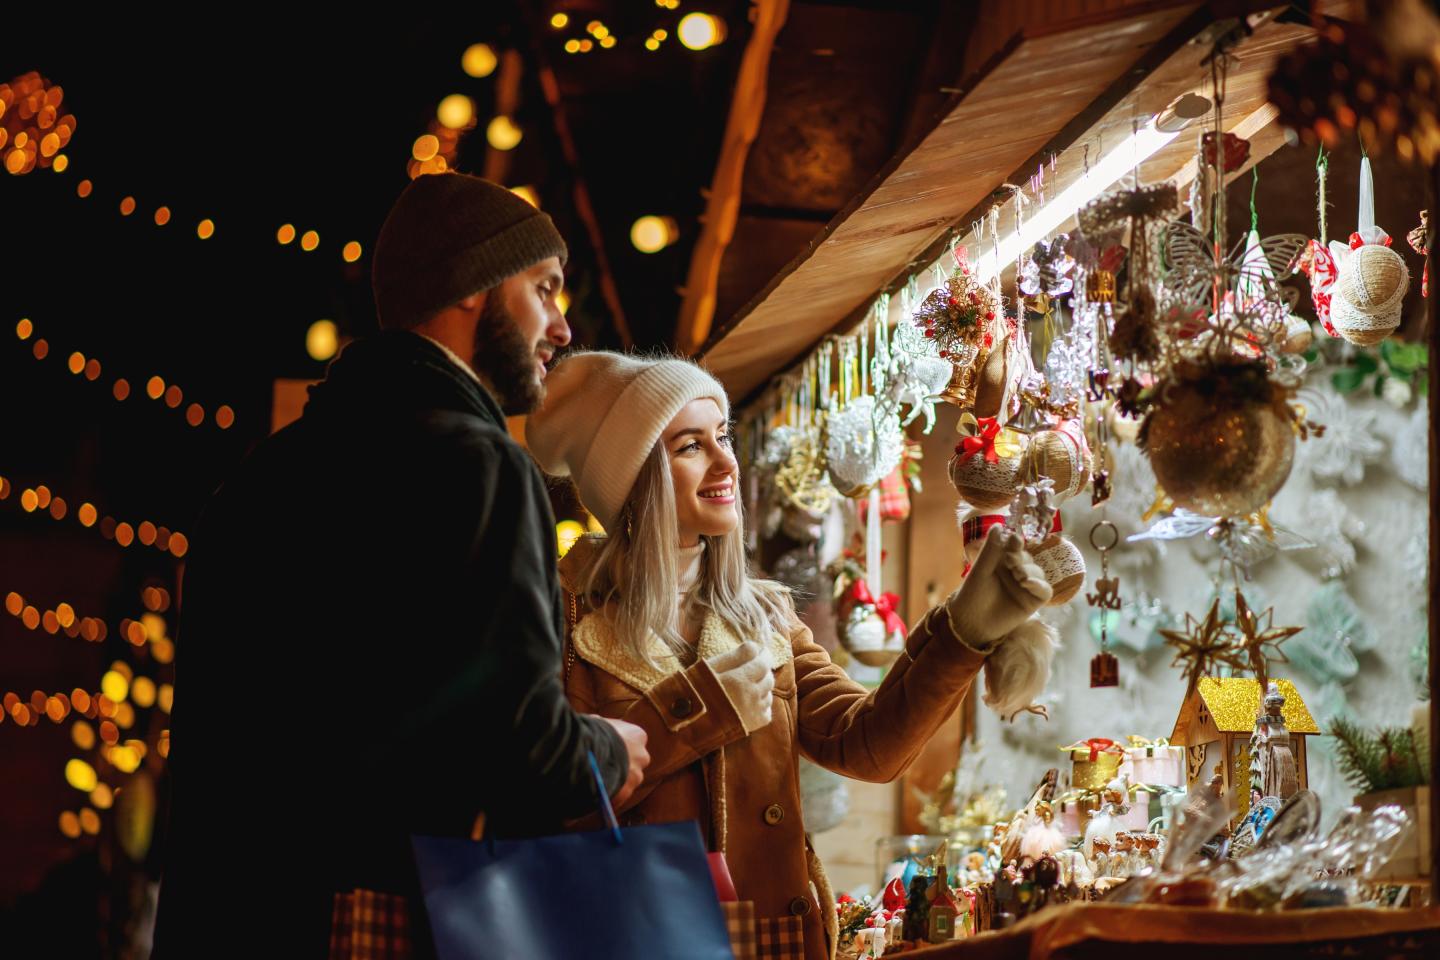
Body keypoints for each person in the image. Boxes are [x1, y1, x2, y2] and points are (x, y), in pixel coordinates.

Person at [153, 174, 648, 956]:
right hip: (388, 929)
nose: (561, 325)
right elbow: (519, 743)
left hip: (232, 923)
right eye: (544, 290)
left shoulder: (255, 482)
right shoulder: (480, 465)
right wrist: (611, 750)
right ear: (472, 289)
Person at [526, 352, 1052, 960]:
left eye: (722, 437)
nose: (726, 461)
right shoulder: (562, 622)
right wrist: (697, 709)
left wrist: (963, 631)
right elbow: (548, 804)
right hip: (633, 938)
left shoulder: (764, 615)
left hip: (773, 938)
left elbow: (867, 744)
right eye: (690, 446)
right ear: (633, 478)